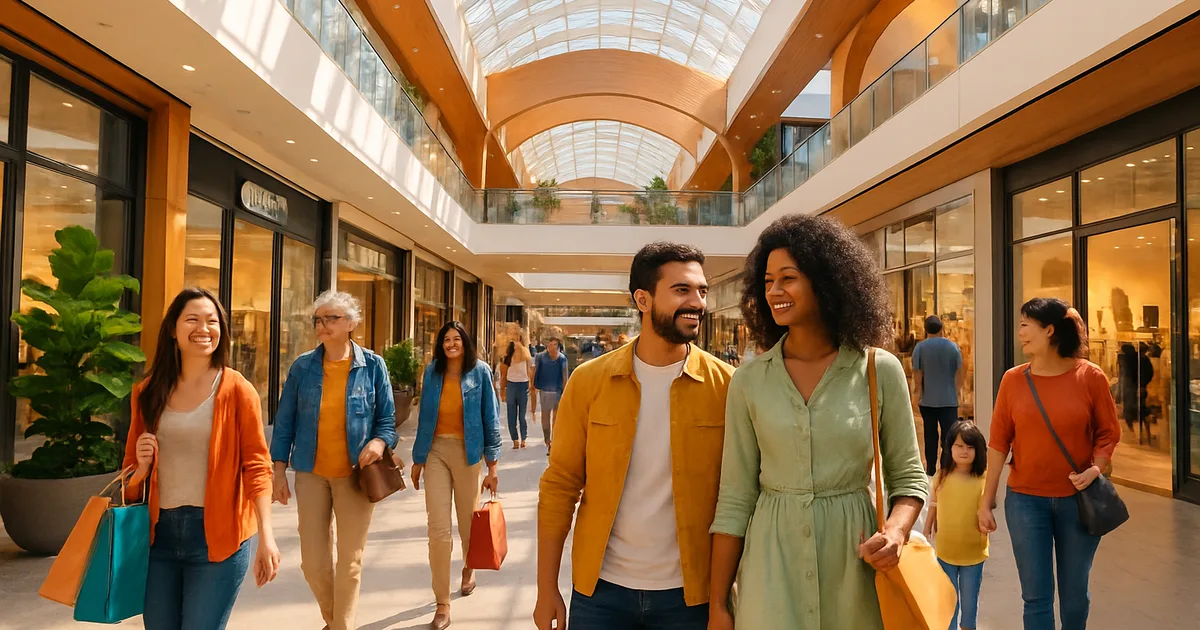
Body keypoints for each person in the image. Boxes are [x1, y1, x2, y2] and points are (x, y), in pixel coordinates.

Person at [709, 214, 928, 630]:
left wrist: (897, 532)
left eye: (788, 278)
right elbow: (735, 498)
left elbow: (909, 477)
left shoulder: (878, 370)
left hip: (855, 567)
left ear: (826, 282)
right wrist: (719, 603)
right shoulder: (749, 381)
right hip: (771, 569)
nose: (774, 291)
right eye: (768, 281)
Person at [535, 242, 734, 630]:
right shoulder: (589, 382)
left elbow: (739, 499)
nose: (697, 303)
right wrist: (546, 589)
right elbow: (560, 486)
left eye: (702, 291)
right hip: (601, 593)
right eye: (682, 290)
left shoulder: (727, 386)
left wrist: (723, 601)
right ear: (643, 299)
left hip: (691, 596)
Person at [124, 288, 279, 630]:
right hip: (157, 537)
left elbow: (257, 466)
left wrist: (267, 536)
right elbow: (130, 479)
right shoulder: (147, 392)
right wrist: (142, 469)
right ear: (172, 329)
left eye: (212, 321)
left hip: (218, 536)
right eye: (192, 319)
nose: (203, 329)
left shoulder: (237, 390)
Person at [978, 298, 1120, 630]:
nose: (1020, 333)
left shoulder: (1090, 377)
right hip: (1025, 502)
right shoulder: (1013, 380)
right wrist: (986, 500)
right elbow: (998, 443)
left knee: (1074, 595)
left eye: (1026, 325)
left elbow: (1108, 432)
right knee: (1036, 597)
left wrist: (1096, 468)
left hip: (1078, 501)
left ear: (1050, 330)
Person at [270, 290, 398, 630]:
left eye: (332, 318)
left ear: (351, 323)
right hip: (311, 473)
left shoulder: (373, 366)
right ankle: (334, 618)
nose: (323, 325)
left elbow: (387, 421)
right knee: (313, 563)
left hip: (355, 475)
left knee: (350, 562)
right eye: (318, 319)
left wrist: (379, 442)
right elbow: (284, 423)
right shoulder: (302, 367)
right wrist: (278, 471)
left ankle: (341, 624)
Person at [411, 321, 502, 630]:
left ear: (465, 343)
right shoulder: (432, 372)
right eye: (446, 339)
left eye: (456, 339)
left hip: (468, 454)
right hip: (436, 451)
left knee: (467, 525)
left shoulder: (480, 372)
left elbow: (491, 418)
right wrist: (418, 459)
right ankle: (442, 603)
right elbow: (424, 417)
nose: (451, 344)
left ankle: (467, 567)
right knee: (438, 530)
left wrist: (492, 467)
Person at [923, 421, 989, 630]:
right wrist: (927, 527)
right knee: (949, 602)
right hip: (945, 552)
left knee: (970, 606)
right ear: (949, 447)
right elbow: (933, 503)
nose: (964, 451)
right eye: (959, 446)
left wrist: (986, 522)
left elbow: (987, 509)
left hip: (974, 554)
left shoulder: (984, 479)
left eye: (970, 447)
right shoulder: (941, 476)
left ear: (978, 451)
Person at [912, 315, 965, 476]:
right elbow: (960, 371)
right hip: (949, 400)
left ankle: (930, 468)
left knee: (930, 435)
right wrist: (957, 390)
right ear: (941, 328)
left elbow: (917, 374)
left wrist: (917, 394)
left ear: (925, 329)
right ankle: (945, 467)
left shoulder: (920, 348)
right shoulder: (953, 347)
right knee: (948, 436)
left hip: (928, 400)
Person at [530, 337, 569, 453]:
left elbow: (565, 377)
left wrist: (565, 393)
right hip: (545, 391)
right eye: (550, 345)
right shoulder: (541, 357)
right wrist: (533, 386)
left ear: (558, 346)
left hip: (557, 392)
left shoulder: (562, 359)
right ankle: (548, 440)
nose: (552, 347)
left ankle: (553, 441)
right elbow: (535, 372)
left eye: (554, 345)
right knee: (545, 417)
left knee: (555, 418)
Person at [500, 339, 533, 449]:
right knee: (511, 415)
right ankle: (515, 439)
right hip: (511, 385)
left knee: (522, 415)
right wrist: (502, 391)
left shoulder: (525, 356)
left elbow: (529, 371)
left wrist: (531, 385)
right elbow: (503, 376)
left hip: (523, 385)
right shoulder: (507, 358)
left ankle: (523, 438)